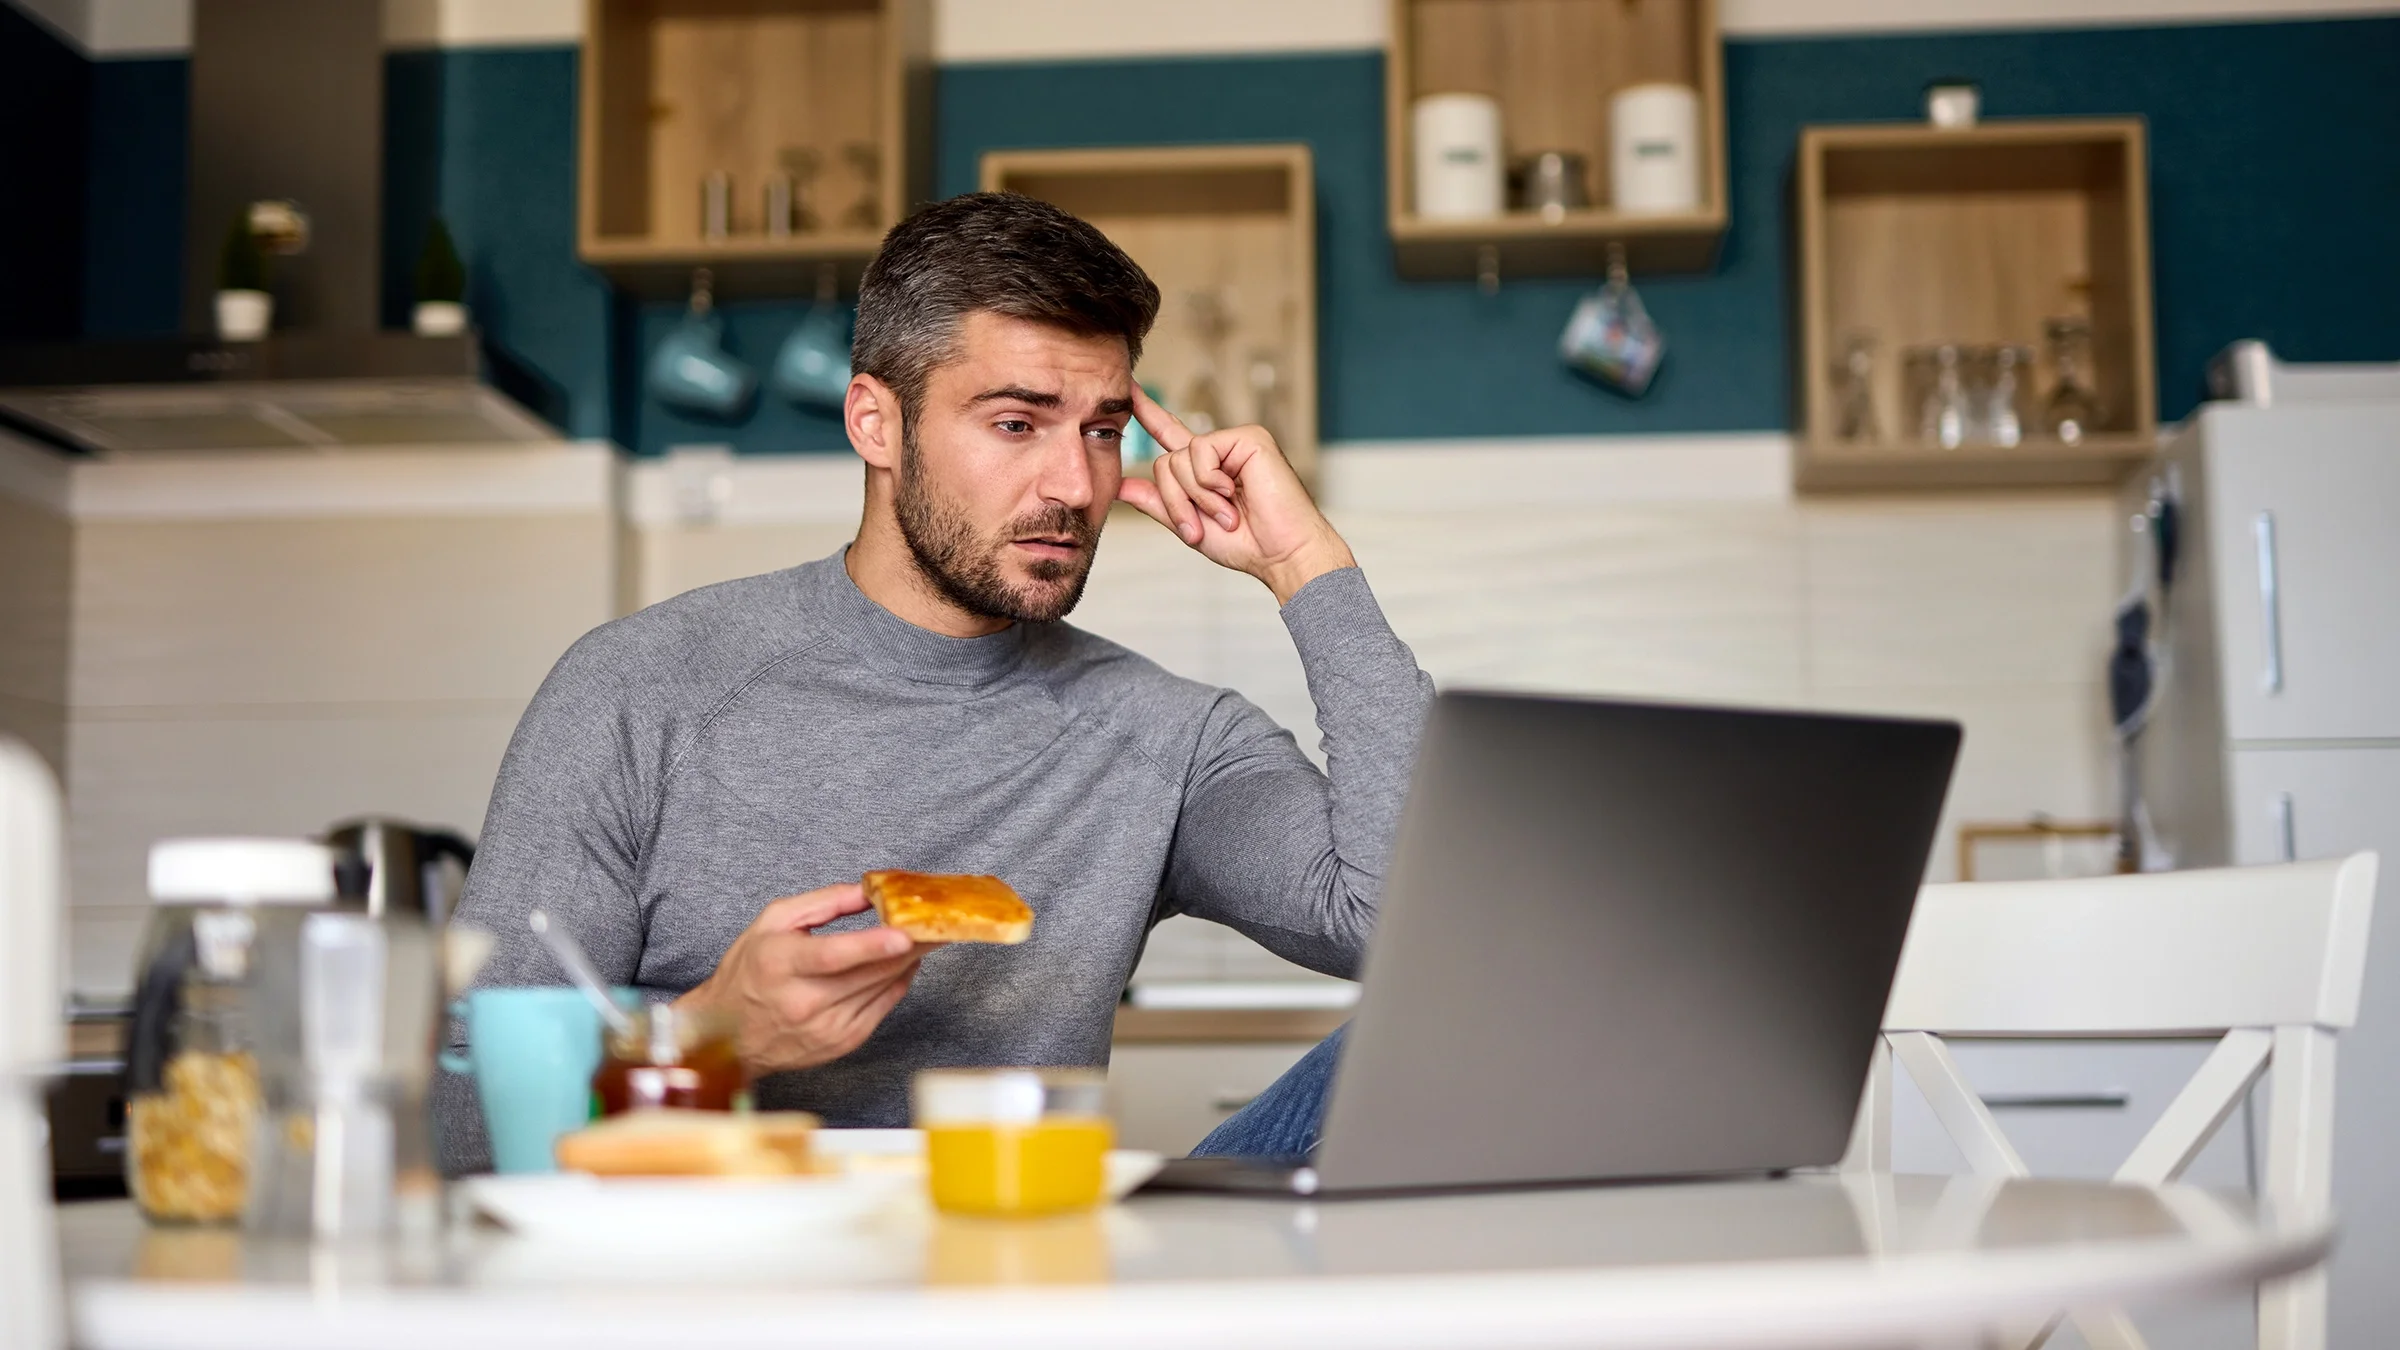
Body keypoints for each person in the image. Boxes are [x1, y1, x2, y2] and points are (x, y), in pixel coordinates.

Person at [435, 192, 1432, 1172]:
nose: (1075, 487)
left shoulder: (1170, 738)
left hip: (1016, 1259)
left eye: (1101, 429)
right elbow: (465, 1119)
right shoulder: (638, 691)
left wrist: (1307, 566)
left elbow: (1414, 928)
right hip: (720, 1287)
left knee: (1438, 1035)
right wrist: (709, 1032)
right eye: (1015, 424)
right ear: (875, 421)